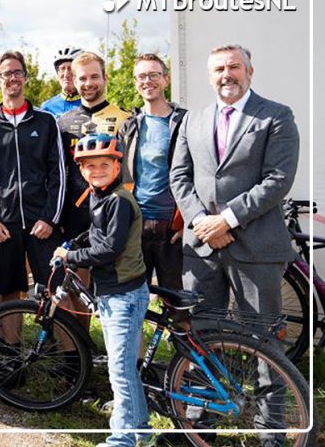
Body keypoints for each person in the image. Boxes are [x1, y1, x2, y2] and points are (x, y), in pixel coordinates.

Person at [170, 44, 299, 322]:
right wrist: (202, 222)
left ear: (249, 72)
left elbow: (278, 179)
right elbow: (179, 176)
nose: (226, 74)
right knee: (204, 333)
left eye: (234, 67)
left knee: (261, 336)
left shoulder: (276, 115)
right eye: (219, 69)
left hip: (256, 246)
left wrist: (226, 220)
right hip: (202, 247)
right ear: (210, 77)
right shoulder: (192, 119)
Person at [53, 133, 150, 447]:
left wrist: (71, 256)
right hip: (113, 293)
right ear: (81, 170)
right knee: (124, 369)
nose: (96, 170)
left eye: (104, 164)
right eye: (90, 166)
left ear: (117, 165)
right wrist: (74, 243)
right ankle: (141, 431)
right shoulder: (100, 196)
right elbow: (96, 232)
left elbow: (108, 248)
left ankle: (122, 438)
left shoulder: (119, 201)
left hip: (123, 295)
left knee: (119, 371)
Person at [0, 50, 65, 361]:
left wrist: (50, 218)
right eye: (5, 74)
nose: (12, 78)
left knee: (54, 290)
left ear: (25, 77)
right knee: (7, 291)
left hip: (42, 224)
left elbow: (58, 173)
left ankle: (63, 358)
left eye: (17, 72)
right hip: (5, 225)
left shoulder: (46, 121)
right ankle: (9, 354)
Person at [58, 51, 130, 328]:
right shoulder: (63, 123)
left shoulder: (124, 118)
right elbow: (60, 171)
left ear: (105, 78)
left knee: (116, 286)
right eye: (82, 78)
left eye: (94, 76)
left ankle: (119, 349)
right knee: (77, 285)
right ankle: (81, 349)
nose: (88, 83)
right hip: (75, 213)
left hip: (112, 211)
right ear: (73, 81)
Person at [118, 54, 187, 290]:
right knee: (136, 299)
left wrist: (189, 220)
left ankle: (181, 329)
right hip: (137, 226)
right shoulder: (129, 126)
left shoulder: (185, 122)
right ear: (136, 82)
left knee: (177, 303)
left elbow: (200, 172)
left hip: (173, 226)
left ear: (166, 79)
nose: (148, 81)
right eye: (141, 76)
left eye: (154, 74)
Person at [40, 46, 83, 118]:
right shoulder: (47, 107)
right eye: (62, 69)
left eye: (71, 68)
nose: (66, 74)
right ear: (57, 73)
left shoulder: (91, 103)